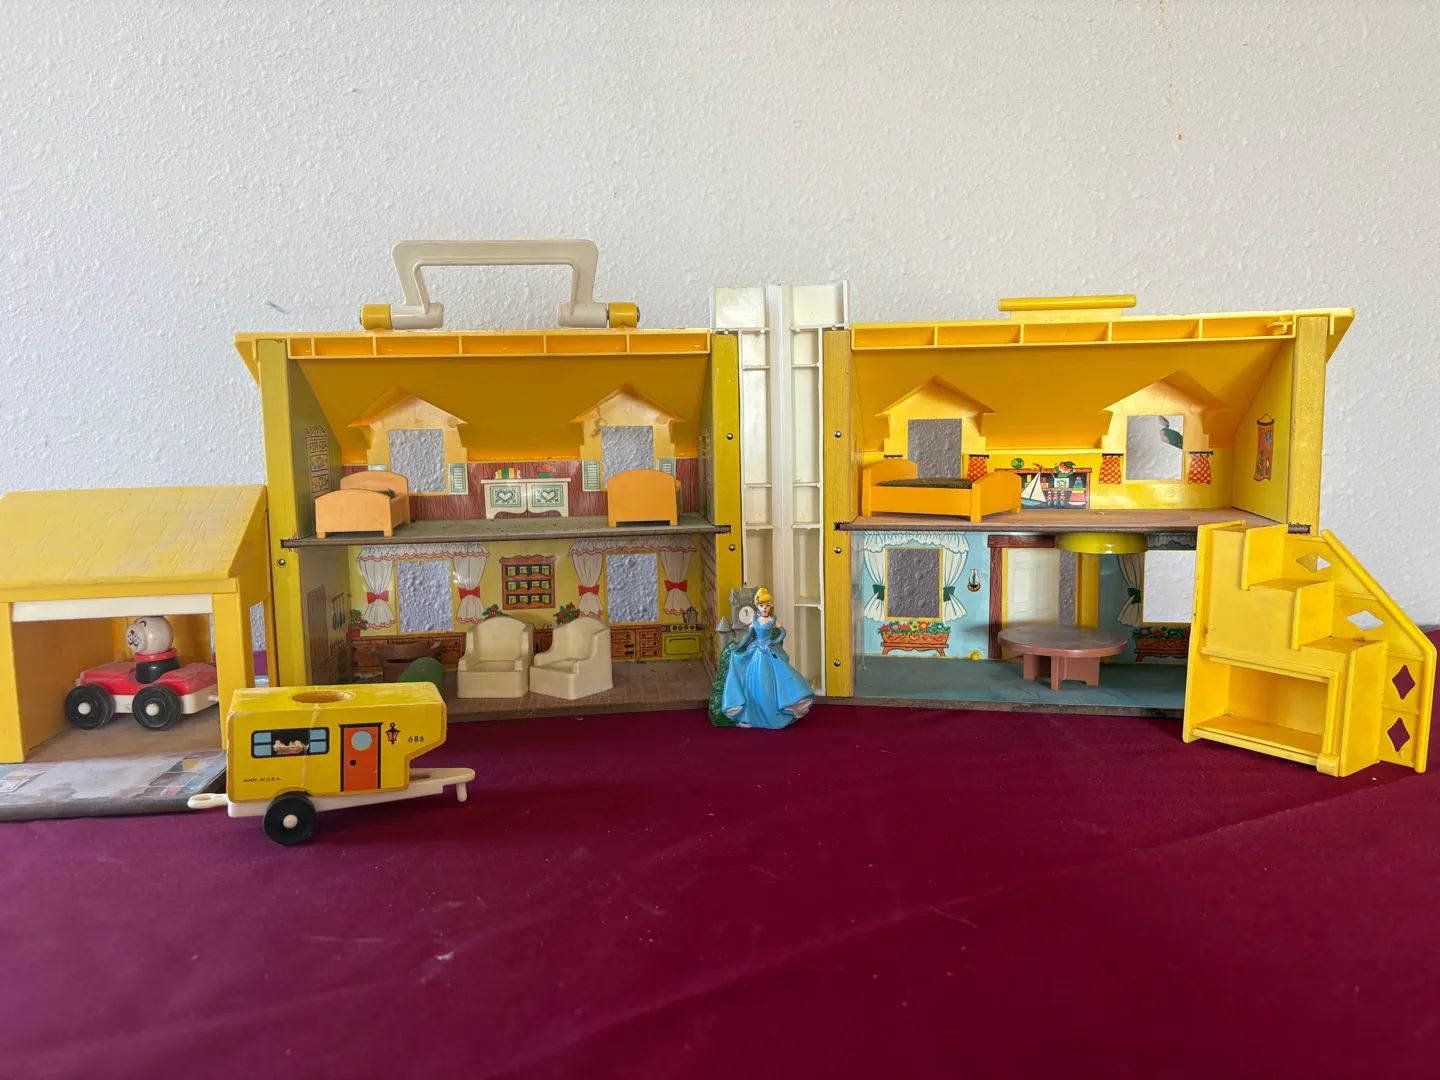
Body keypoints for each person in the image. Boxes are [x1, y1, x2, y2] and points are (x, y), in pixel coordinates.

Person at [718, 588, 814, 729]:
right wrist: (738, 646)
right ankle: (751, 716)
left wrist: (775, 641)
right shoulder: (755, 620)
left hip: (768, 651)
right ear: (757, 606)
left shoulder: (772, 620)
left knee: (775, 679)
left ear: (770, 606)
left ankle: (778, 710)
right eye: (762, 605)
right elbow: (747, 636)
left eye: (767, 605)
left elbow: (783, 632)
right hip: (757, 651)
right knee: (754, 683)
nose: (765, 608)